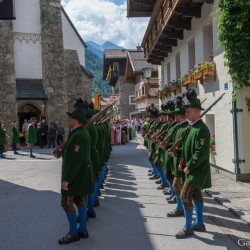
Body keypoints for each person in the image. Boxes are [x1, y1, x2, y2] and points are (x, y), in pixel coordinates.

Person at [175, 90, 211, 239]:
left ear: (196, 112)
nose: (187, 114)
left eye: (189, 111)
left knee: (185, 195)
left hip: (196, 170)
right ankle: (200, 223)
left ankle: (188, 227)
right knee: (196, 195)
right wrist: (181, 162)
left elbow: (200, 152)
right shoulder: (192, 127)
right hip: (191, 169)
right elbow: (186, 148)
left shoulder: (202, 129)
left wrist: (189, 165)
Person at [59, 108, 93, 245]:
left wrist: (67, 179)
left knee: (66, 203)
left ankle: (73, 233)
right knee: (80, 201)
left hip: (75, 176)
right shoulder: (81, 132)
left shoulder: (78, 135)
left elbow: (75, 161)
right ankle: (83, 230)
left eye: (70, 118)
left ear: (76, 121)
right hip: (81, 175)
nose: (68, 120)